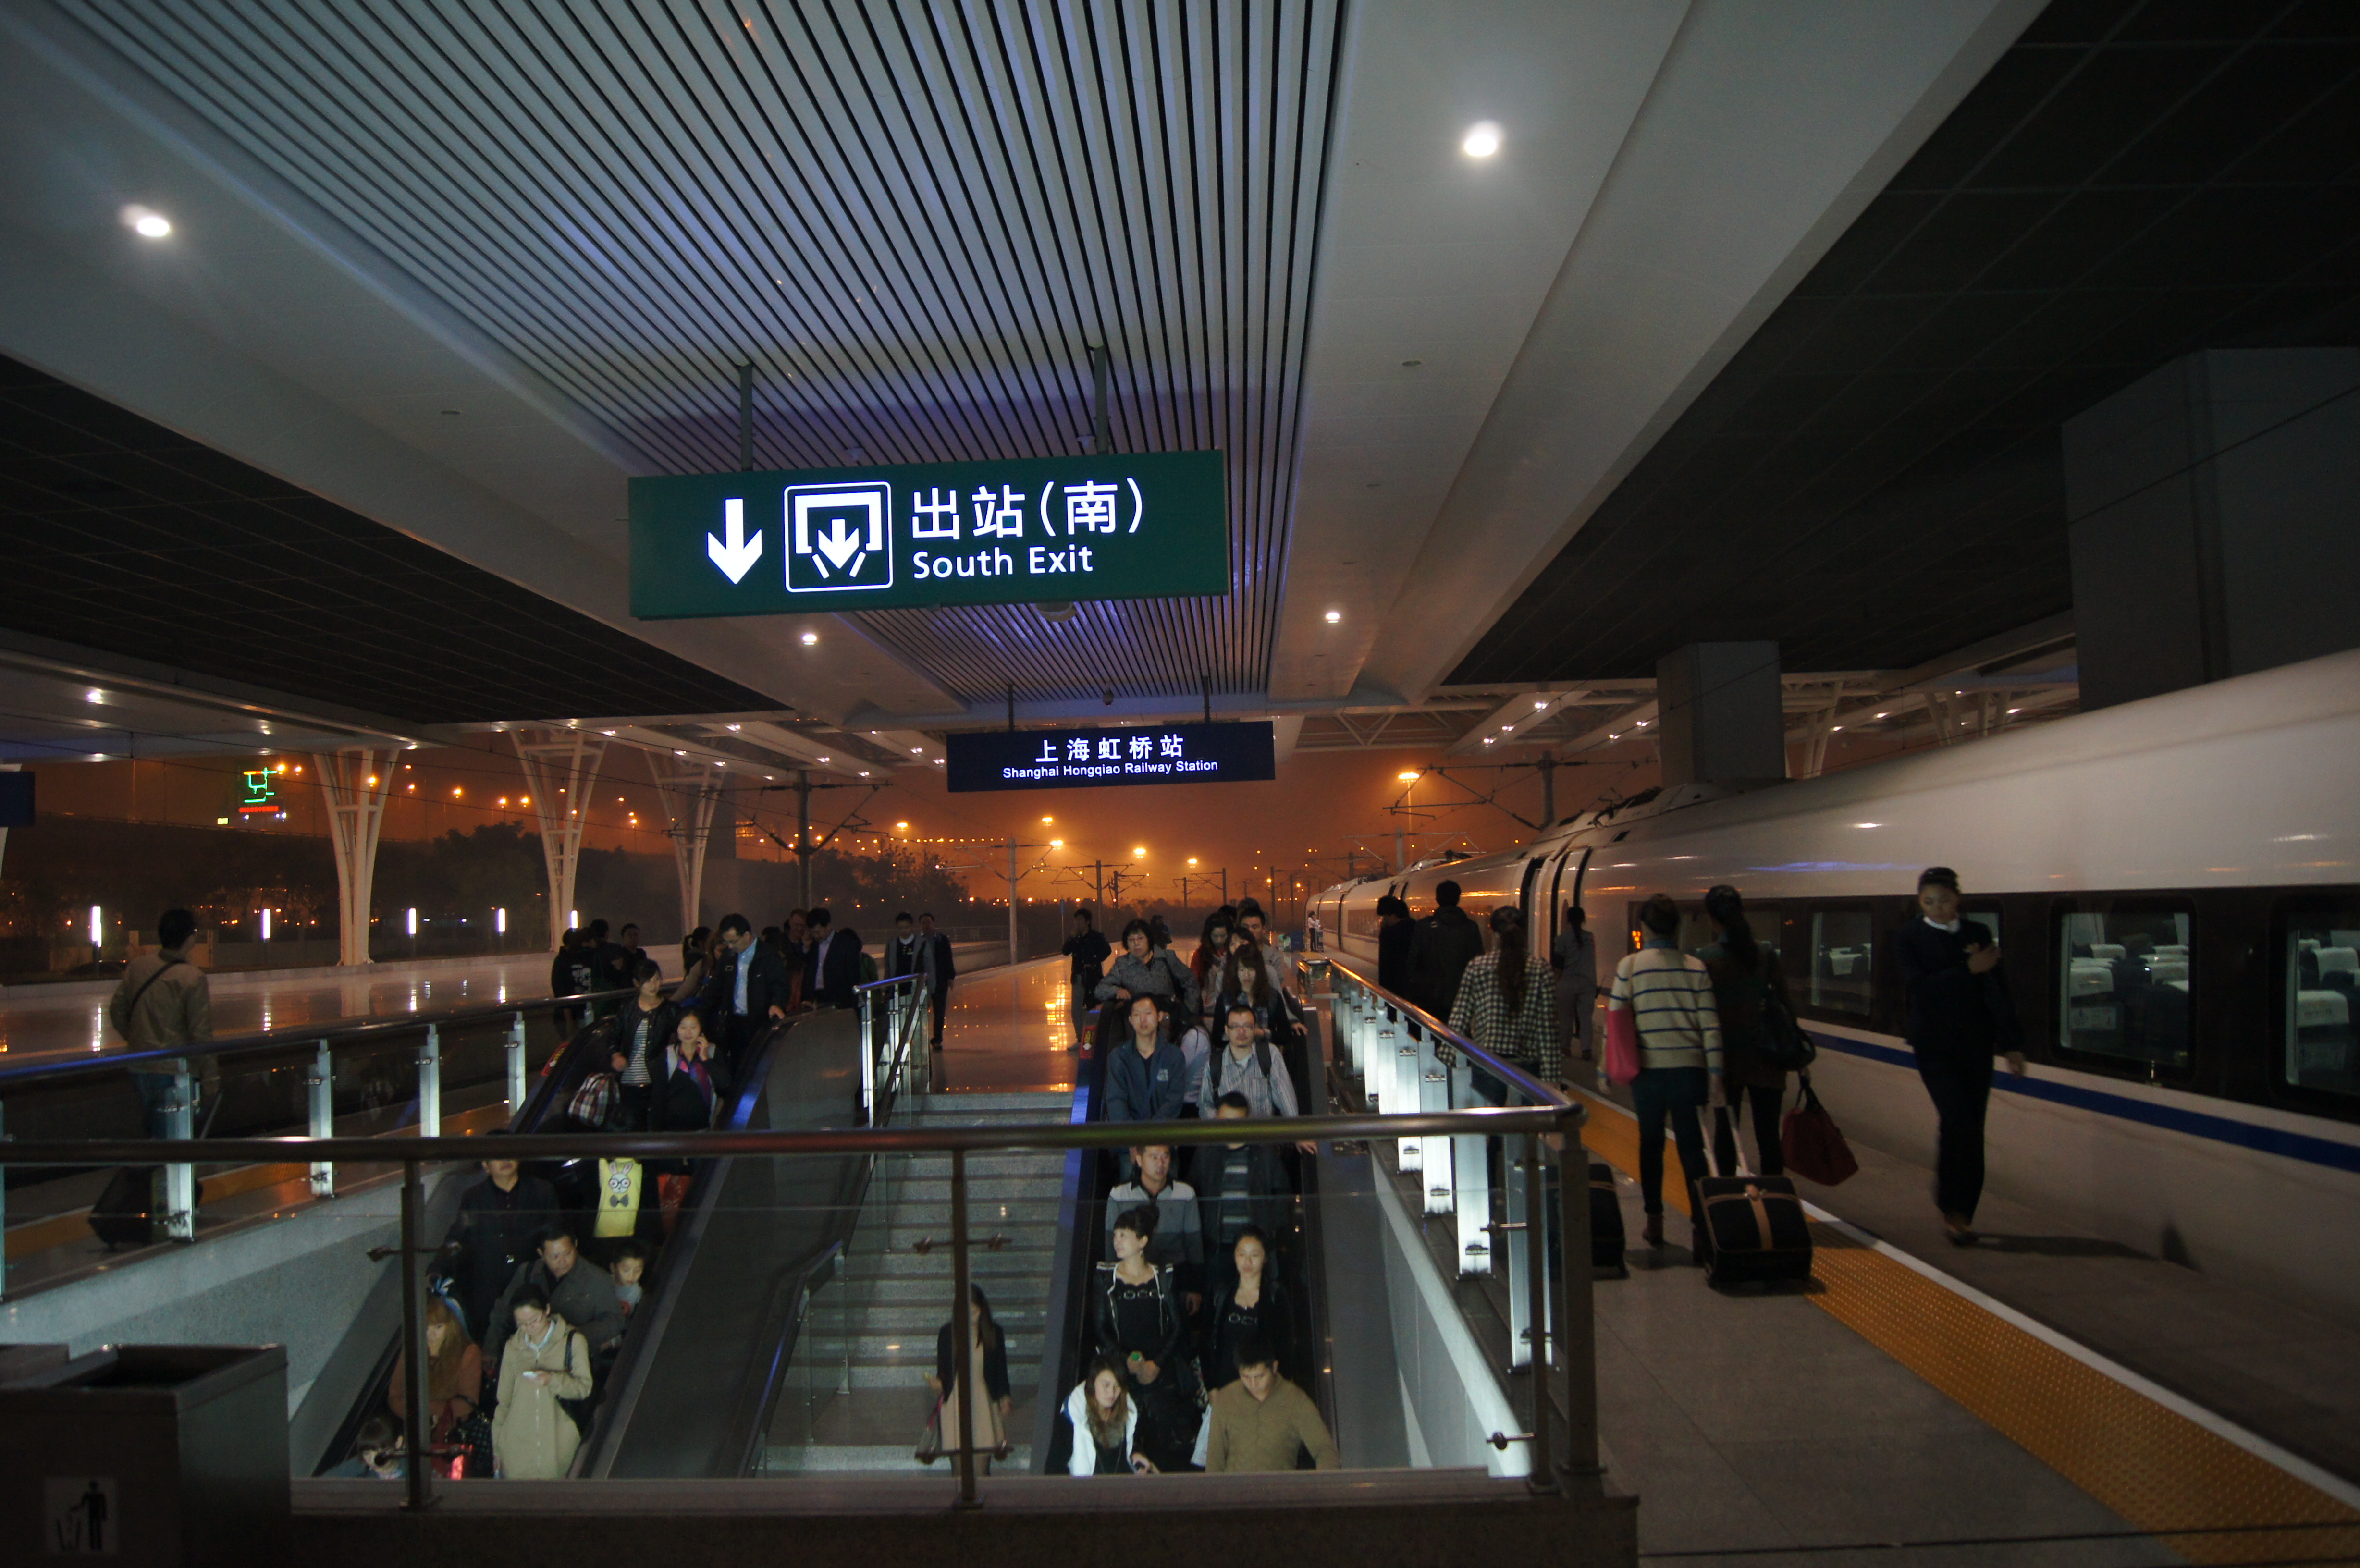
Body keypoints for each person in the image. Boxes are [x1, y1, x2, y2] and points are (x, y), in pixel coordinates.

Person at [1895, 866, 2024, 1245]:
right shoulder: (1909, 937)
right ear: (1920, 903)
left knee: (1973, 1127)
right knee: (1956, 1120)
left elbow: (1996, 990)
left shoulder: (1978, 933)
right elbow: (1919, 989)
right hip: (1933, 1046)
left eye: (1944, 900)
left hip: (1976, 1045)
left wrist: (2012, 1044)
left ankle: (1964, 1214)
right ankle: (1950, 1206)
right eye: (1929, 901)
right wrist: (1967, 969)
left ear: (1958, 899)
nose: (1937, 908)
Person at [1609, 894, 1723, 1251]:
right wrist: (1716, 1074)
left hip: (1649, 1074)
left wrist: (1605, 1068)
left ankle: (1654, 1222)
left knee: (1651, 1145)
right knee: (1693, 1150)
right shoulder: (1696, 968)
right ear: (1678, 926)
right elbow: (1711, 1026)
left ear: (1644, 927)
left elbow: (1616, 1023)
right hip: (1690, 1072)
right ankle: (1701, 1229)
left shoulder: (1630, 966)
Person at [1696, 885, 1797, 1178]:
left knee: (1726, 1132)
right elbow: (1785, 1004)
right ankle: (1774, 1197)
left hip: (1726, 1058)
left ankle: (1728, 1194)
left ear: (1712, 919)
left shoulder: (1706, 958)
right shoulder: (1766, 954)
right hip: (1768, 1057)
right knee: (1769, 1137)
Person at [1092, 1206, 1192, 1470]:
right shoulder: (1106, 1278)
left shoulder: (1163, 1277)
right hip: (1122, 1377)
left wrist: (1156, 1363)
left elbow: (1178, 1326)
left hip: (1161, 1376)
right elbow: (1100, 1328)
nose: (1117, 1241)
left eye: (1124, 1235)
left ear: (1142, 1241)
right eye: (1115, 1235)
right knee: (1125, 1445)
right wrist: (1125, 1361)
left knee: (1162, 1447)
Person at [108, 908, 212, 1138]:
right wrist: (211, 1077)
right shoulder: (193, 978)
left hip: (139, 1065)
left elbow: (117, 1011)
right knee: (175, 1133)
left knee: (151, 1130)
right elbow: (201, 1034)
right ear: (190, 938)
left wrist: (137, 1040)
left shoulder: (137, 968)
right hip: (174, 1071)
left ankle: (152, 1158)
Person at [442, 1151, 560, 1345]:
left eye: (509, 1154)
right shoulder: (474, 1197)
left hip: (531, 1282)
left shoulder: (541, 1191)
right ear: (486, 1165)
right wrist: (438, 1270)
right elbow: (458, 1238)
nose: (506, 1160)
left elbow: (555, 1233)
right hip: (489, 1287)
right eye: (497, 1157)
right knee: (491, 1345)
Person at [1450, 907, 1563, 1093]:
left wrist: (1447, 1056)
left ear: (1494, 934)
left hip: (1488, 1059)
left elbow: (1460, 1016)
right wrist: (1552, 1077)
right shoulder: (1541, 970)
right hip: (1528, 1063)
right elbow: (1548, 1028)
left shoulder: (1477, 967)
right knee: (1528, 1113)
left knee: (1489, 1111)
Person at [492, 1286, 592, 1479]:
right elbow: (504, 1402)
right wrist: (497, 1447)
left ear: (547, 1310)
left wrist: (552, 1380)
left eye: (534, 1320)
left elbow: (584, 1388)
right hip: (516, 1446)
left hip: (559, 1442)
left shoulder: (572, 1341)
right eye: (522, 1324)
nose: (529, 1327)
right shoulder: (513, 1347)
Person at [1195, 1095, 1294, 1290]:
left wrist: (1267, 1232)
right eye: (1224, 1121)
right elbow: (1195, 1196)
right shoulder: (1206, 1154)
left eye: (1235, 1122)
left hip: (1254, 1251)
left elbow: (1283, 1196)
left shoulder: (1264, 1155)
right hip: (1217, 1250)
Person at [487, 1225, 626, 1365]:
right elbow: (502, 1312)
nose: (562, 1261)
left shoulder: (597, 1280)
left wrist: (576, 1334)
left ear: (575, 1245)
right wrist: (491, 1349)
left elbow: (615, 1321)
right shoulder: (528, 1274)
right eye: (555, 1257)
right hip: (525, 1358)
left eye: (568, 1254)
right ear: (541, 1253)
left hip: (571, 1360)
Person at [1203, 1336, 1339, 1473]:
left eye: (1259, 1377)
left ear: (1274, 1367)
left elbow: (1324, 1450)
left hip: (1280, 1485)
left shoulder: (1295, 1400)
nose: (1253, 1384)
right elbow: (1215, 1458)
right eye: (1246, 1377)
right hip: (1236, 1485)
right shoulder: (1226, 1399)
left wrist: (1327, 1481)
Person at [926, 1284, 1012, 1472]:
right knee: (959, 1469)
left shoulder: (993, 1333)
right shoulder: (948, 1334)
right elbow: (944, 1371)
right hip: (955, 1403)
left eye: (974, 1312)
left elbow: (1000, 1369)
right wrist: (938, 1384)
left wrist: (1004, 1397)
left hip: (983, 1401)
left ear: (982, 1309)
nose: (971, 1317)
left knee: (982, 1466)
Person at [1105, 1144, 1204, 1306]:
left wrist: (1195, 1288)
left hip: (1175, 1275)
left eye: (1165, 1156)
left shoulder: (1185, 1193)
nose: (1161, 1163)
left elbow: (1194, 1245)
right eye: (1154, 1157)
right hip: (1133, 1275)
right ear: (1139, 1160)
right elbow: (1111, 1245)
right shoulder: (1119, 1194)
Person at [389, 1293, 481, 1453]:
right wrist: (419, 1416)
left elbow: (468, 1402)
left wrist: (431, 1411)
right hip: (416, 1435)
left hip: (452, 1438)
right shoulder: (411, 1351)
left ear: (450, 1327)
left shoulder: (468, 1353)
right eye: (427, 1328)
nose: (432, 1335)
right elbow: (395, 1396)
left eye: (438, 1327)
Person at [1201, 1226, 1290, 1393]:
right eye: (1242, 1255)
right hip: (1226, 1387)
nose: (1247, 1262)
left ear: (1265, 1258)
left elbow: (1286, 1348)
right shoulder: (1221, 1293)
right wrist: (1211, 1387)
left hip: (1263, 1391)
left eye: (1254, 1255)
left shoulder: (1275, 1295)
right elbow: (1207, 1342)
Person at [1200, 1002, 1309, 1128]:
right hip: (1230, 1136)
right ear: (1227, 1030)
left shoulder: (1269, 1055)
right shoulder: (1214, 1064)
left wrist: (1295, 1131)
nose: (1241, 1032)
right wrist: (1221, 1123)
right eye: (1235, 1026)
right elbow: (1205, 1104)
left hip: (1263, 1136)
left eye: (1247, 1026)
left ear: (1255, 1029)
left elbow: (1286, 1100)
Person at [1103, 994, 1187, 1136]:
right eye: (1137, 1015)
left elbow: (1174, 1100)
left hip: (1163, 1139)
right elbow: (1116, 1101)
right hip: (1129, 1141)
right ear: (1131, 1020)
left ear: (1160, 1016)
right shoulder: (1118, 1057)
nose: (1143, 1019)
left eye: (1148, 1013)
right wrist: (1132, 1139)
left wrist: (1153, 1136)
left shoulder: (1174, 1056)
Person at [608, 958, 675, 1131]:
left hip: (656, 1080)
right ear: (637, 983)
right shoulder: (627, 1008)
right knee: (633, 1127)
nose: (654, 985)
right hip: (629, 1082)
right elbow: (613, 1038)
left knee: (655, 1127)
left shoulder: (669, 1010)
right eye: (648, 981)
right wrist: (616, 1055)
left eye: (657, 979)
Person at [713, 913, 790, 1063]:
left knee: (759, 1064)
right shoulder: (728, 956)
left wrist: (777, 1004)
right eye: (726, 942)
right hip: (734, 1022)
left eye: (733, 941)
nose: (730, 946)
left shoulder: (768, 955)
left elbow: (780, 984)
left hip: (759, 1023)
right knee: (737, 1064)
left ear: (746, 936)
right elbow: (716, 986)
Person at [1405, 880, 1486, 1020]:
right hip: (1461, 995)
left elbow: (1413, 961)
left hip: (1429, 995)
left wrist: (1410, 992)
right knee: (1458, 1030)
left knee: (1430, 1029)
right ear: (1458, 898)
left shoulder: (1424, 926)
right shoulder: (1471, 927)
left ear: (1437, 898)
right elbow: (1478, 961)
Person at [1094, 918, 1200, 1017]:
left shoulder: (1167, 959)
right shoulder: (1123, 964)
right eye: (1131, 940)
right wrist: (1116, 991)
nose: (1136, 944)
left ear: (1149, 940)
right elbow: (1100, 990)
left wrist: (1189, 1010)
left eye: (1140, 939)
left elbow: (1191, 981)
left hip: (1168, 1018)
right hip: (1138, 1022)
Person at [1063, 1355, 1150, 1476]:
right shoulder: (1072, 1417)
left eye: (1117, 1386)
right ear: (1093, 1383)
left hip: (1125, 1485)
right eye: (1106, 1385)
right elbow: (1055, 1468)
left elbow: (1130, 1446)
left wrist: (1135, 1454)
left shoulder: (1128, 1414)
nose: (1112, 1393)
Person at [1553, 903, 1599, 1062]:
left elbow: (1558, 965)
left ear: (1568, 920)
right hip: (1587, 983)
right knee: (1586, 1018)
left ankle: (1565, 1048)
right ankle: (1587, 1050)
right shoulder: (1590, 938)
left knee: (1566, 1018)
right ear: (1583, 920)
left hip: (1567, 982)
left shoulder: (1561, 939)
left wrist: (1555, 983)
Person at [1062, 907, 1113, 1044]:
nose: (1077, 923)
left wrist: (1093, 961)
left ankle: (1094, 1039)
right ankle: (1080, 1039)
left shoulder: (1096, 937)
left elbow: (1107, 951)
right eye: (1076, 920)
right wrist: (1072, 937)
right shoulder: (1076, 938)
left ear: (1088, 922)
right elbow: (1065, 951)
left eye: (1080, 920)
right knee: (1076, 1009)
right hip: (1078, 977)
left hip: (1093, 978)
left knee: (1092, 1008)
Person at [550, 927, 598, 1034]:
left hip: (579, 1013)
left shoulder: (570, 959)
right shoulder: (564, 961)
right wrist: (569, 1020)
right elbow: (562, 991)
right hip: (573, 1015)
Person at [1192, 912, 1238, 1023]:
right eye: (1215, 937)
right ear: (1208, 936)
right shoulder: (1201, 955)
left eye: (1223, 936)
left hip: (1233, 1008)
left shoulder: (1235, 952)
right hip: (1209, 1010)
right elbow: (1194, 984)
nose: (1219, 940)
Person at [1376, 895, 1416, 996]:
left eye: (1385, 917)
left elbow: (1386, 966)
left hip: (1396, 987)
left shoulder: (1389, 934)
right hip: (1416, 987)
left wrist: (1384, 992)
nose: (1384, 920)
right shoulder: (1419, 929)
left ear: (1393, 915)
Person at [610, 1241, 649, 1320]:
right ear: (613, 1268)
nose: (631, 1276)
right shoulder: (603, 1284)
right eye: (626, 1270)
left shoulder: (638, 1294)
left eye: (637, 1271)